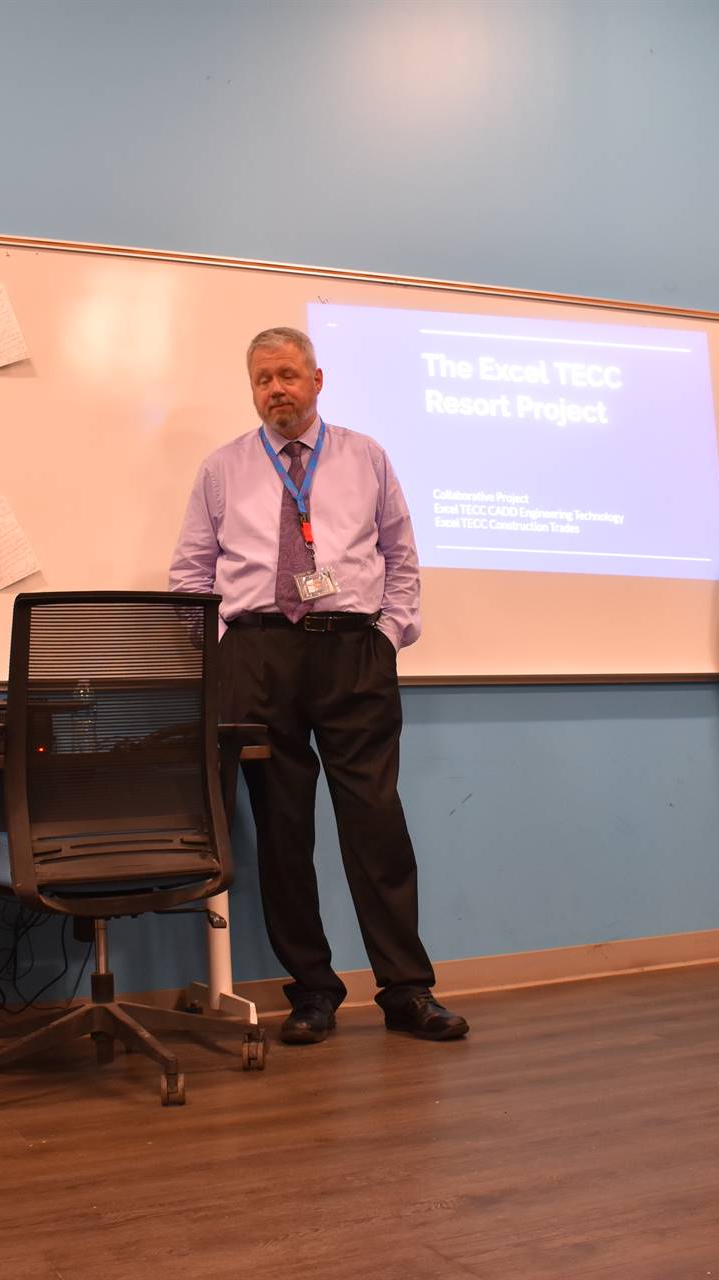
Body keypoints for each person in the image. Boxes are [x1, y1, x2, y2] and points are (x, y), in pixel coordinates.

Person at [168, 327, 468, 1045]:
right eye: (262, 379)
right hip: (258, 656)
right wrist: (225, 655)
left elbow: (401, 558)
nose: (276, 389)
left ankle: (407, 990)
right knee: (282, 832)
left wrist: (386, 637)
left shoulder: (366, 457)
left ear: (317, 379)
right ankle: (311, 993)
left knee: (376, 825)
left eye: (288, 375)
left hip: (352, 652)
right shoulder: (222, 469)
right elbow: (189, 577)